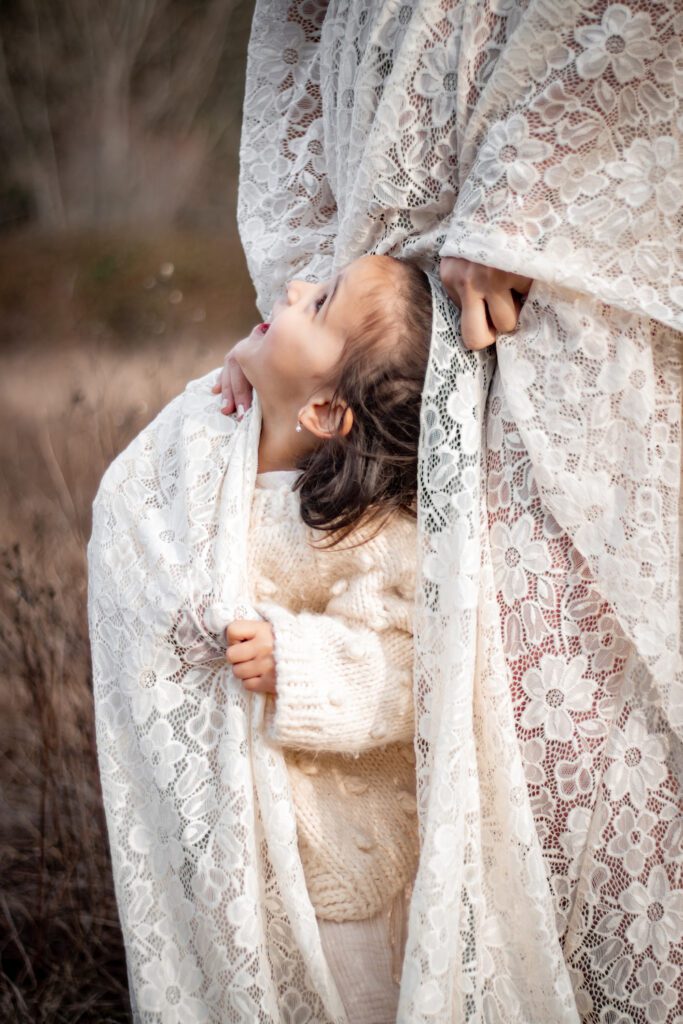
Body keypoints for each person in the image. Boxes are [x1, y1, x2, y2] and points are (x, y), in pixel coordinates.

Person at [225, 2, 683, 1021]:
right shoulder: (324, 439)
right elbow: (296, 34)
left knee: (574, 724)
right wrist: (274, 359)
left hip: (544, 272)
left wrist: (527, 191)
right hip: (385, 290)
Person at [89, 254, 437, 1022]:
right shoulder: (211, 446)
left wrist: (302, 663)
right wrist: (254, 372)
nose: (292, 288)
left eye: (318, 306)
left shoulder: (369, 526)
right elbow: (133, 514)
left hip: (341, 860)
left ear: (325, 413)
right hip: (225, 846)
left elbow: (410, 666)